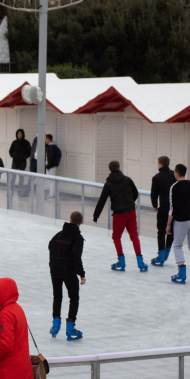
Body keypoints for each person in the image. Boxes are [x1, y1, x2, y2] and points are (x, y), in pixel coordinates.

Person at [92, 161, 146, 272]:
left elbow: (102, 200)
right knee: (134, 236)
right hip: (131, 211)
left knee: (116, 237)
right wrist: (130, 202)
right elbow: (135, 193)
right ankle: (140, 262)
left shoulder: (109, 184)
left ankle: (121, 261)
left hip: (119, 214)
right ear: (119, 167)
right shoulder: (127, 179)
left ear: (110, 169)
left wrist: (96, 215)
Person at [48, 211, 86, 340]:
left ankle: (55, 325)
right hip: (68, 271)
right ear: (81, 222)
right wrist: (82, 274)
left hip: (55, 269)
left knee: (57, 296)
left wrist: (54, 263)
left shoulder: (59, 234)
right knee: (74, 297)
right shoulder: (78, 238)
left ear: (70, 220)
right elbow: (77, 257)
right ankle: (70, 328)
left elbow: (50, 246)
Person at [149, 155, 175, 267]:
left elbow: (153, 194)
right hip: (174, 208)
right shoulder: (174, 175)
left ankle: (161, 255)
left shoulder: (157, 178)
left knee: (161, 231)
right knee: (171, 230)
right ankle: (167, 252)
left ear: (160, 164)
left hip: (164, 208)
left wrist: (155, 205)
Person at [8, 129, 31, 197]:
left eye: (20, 133)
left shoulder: (26, 143)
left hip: (22, 162)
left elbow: (29, 152)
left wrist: (25, 156)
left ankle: (20, 191)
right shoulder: (14, 142)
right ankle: (11, 190)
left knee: (21, 177)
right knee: (13, 176)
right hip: (15, 162)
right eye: (18, 134)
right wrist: (12, 155)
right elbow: (10, 151)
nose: (19, 135)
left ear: (23, 134)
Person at [44, 134, 61, 199]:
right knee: (52, 181)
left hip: (51, 167)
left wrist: (48, 166)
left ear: (48, 139)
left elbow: (51, 158)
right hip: (52, 166)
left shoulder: (52, 148)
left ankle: (52, 194)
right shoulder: (51, 146)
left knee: (52, 181)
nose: (45, 140)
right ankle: (52, 193)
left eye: (45, 139)